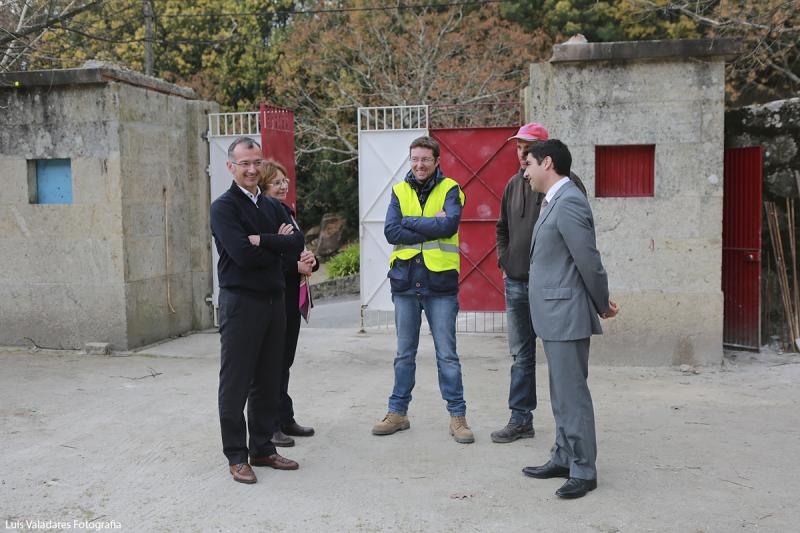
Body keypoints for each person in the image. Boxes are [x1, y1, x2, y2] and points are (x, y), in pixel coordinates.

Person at [520, 139, 618, 499]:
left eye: (528, 164)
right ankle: (563, 456)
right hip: (553, 314)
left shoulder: (570, 200)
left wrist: (602, 302)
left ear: (547, 163)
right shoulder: (553, 201)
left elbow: (588, 260)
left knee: (571, 394)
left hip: (565, 313)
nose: (525, 173)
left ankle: (583, 469)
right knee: (561, 393)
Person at [210, 137, 305, 484]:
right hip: (241, 303)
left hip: (274, 301)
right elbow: (242, 255)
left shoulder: (272, 206)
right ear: (230, 167)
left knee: (268, 378)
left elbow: (296, 242)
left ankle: (262, 447)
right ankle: (237, 455)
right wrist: (277, 245)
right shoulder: (224, 208)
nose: (252, 170)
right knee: (236, 382)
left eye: (256, 162)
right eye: (244, 163)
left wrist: (262, 240)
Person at [372, 135, 474, 444]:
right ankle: (397, 413)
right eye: (415, 159)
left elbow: (449, 226)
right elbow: (392, 232)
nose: (419, 165)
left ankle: (457, 417)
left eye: (425, 159)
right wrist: (429, 223)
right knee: (404, 354)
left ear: (436, 161)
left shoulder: (451, 189)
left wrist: (410, 221)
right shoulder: (398, 190)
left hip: (439, 283)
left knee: (447, 355)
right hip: (405, 281)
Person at [492, 123, 586, 444]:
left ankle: (567, 430)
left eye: (528, 147)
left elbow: (580, 237)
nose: (521, 153)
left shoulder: (567, 185)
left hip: (552, 290)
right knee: (521, 355)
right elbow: (502, 228)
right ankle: (520, 420)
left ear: (545, 153)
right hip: (517, 285)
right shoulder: (513, 185)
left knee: (560, 358)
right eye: (518, 147)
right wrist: (505, 262)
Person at [260, 159, 318, 447]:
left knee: (285, 361)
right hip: (274, 296)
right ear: (263, 186)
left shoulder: (285, 212)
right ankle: (269, 425)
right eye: (276, 182)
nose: (283, 186)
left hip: (291, 295)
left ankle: (284, 417)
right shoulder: (264, 215)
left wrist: (310, 260)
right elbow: (266, 257)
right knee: (273, 364)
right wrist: (294, 263)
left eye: (285, 181)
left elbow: (294, 248)